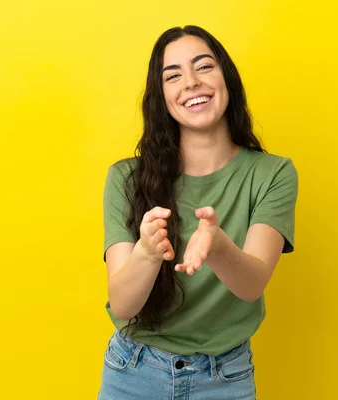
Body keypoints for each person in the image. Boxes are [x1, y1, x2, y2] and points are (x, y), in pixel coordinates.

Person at [98, 25, 298, 400]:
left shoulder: (273, 174)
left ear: (227, 78)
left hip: (225, 378)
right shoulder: (126, 178)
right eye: (173, 75)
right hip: (133, 373)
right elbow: (124, 307)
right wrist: (146, 253)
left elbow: (252, 285)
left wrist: (219, 246)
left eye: (203, 67)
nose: (190, 82)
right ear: (162, 97)